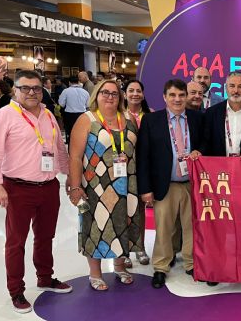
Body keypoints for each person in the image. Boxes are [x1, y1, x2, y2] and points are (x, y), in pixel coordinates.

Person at [0, 69, 72, 313]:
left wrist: (69, 175)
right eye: (25, 88)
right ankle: (16, 290)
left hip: (48, 186)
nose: (32, 92)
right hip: (18, 188)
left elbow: (59, 149)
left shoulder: (48, 115)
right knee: (16, 242)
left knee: (45, 236)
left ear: (42, 90)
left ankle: (45, 277)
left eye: (36, 88)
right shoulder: (4, 116)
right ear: (15, 90)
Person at [67, 80, 143, 291]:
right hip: (96, 185)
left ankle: (120, 266)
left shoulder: (128, 118)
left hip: (127, 184)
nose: (110, 97)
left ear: (120, 97)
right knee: (95, 225)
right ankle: (95, 273)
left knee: (123, 223)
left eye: (114, 93)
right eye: (105, 92)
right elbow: (75, 156)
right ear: (96, 95)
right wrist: (75, 186)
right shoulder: (87, 119)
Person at [137, 79, 205, 289]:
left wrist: (199, 151)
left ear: (186, 97)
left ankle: (191, 264)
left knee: (191, 227)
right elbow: (143, 156)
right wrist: (145, 188)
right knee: (164, 228)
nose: (177, 99)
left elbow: (206, 143)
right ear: (164, 97)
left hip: (191, 183)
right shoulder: (151, 120)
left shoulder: (197, 118)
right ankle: (160, 266)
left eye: (181, 95)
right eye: (173, 95)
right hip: (164, 183)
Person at [201, 71, 241, 159]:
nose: (236, 91)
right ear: (226, 88)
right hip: (219, 166)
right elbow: (206, 142)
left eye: (240, 86)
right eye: (232, 86)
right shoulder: (212, 113)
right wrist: (199, 152)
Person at [122, 80, 152, 267]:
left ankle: (140, 247)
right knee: (123, 209)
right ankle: (124, 250)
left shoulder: (150, 115)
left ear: (143, 94)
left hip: (143, 168)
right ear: (124, 94)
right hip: (123, 168)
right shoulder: (118, 115)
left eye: (138, 91)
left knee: (140, 210)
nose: (135, 94)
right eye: (131, 90)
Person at [58, 75, 89, 144]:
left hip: (70, 116)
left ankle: (71, 147)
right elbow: (88, 105)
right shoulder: (85, 92)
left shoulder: (66, 91)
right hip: (82, 114)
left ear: (69, 82)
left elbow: (61, 104)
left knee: (71, 133)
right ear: (78, 82)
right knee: (82, 133)